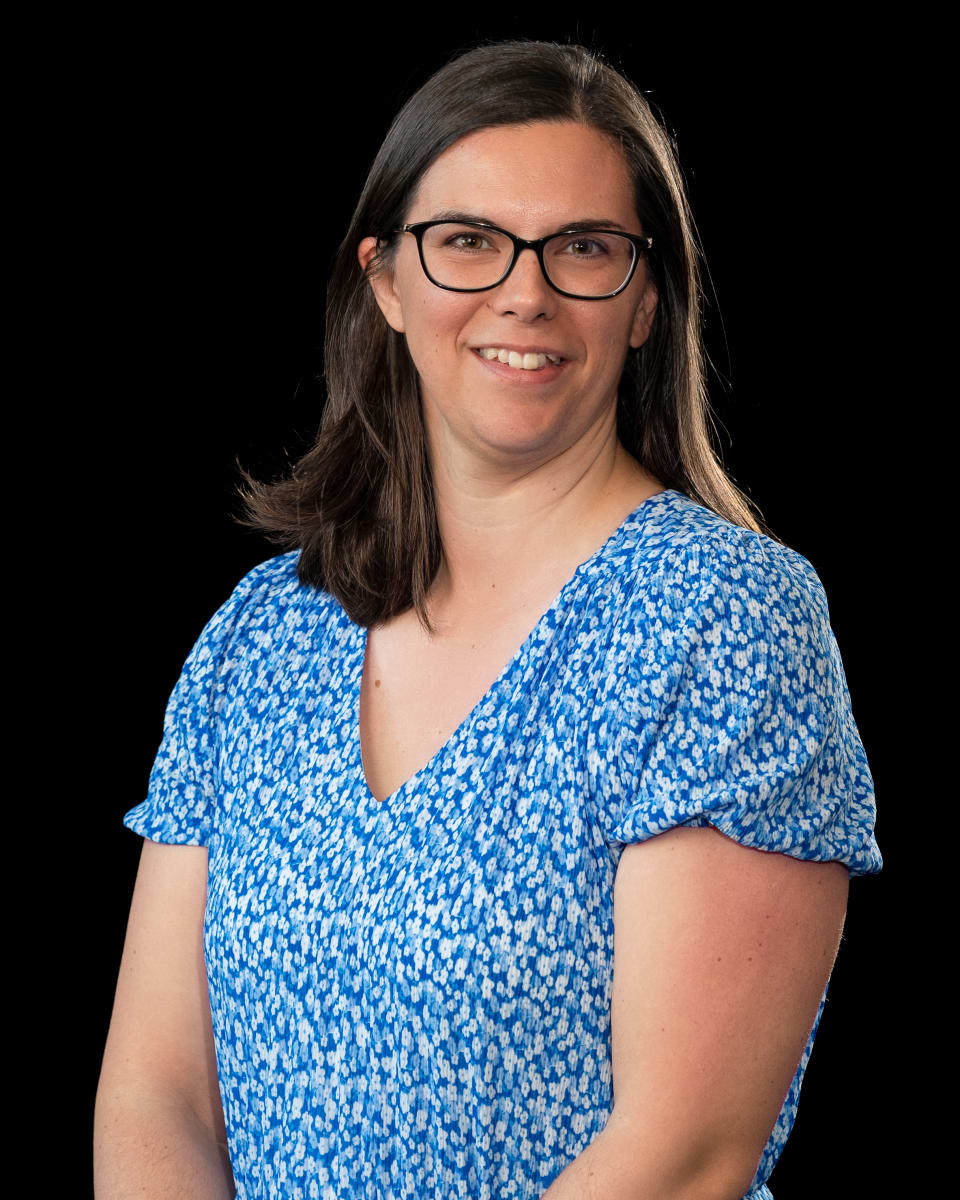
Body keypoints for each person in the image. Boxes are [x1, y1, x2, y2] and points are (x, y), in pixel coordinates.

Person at [93, 38, 883, 1200]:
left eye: (584, 249)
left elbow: (683, 1155)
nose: (526, 292)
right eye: (468, 241)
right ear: (387, 284)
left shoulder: (725, 623)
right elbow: (156, 1096)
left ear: (647, 298)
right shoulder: (260, 638)